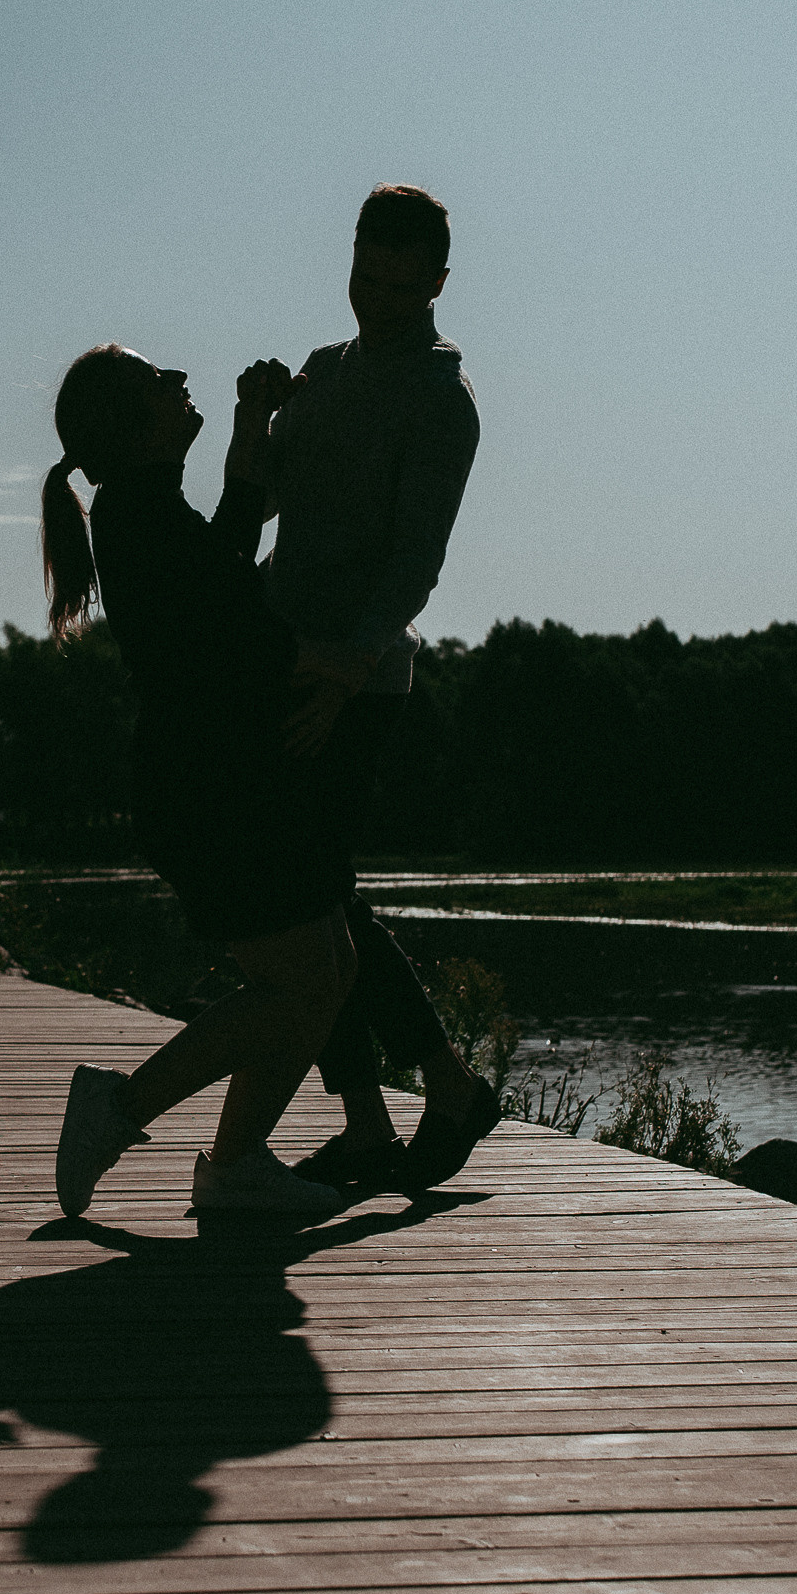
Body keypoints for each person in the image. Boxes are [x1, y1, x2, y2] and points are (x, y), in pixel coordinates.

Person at [42, 346, 356, 1225]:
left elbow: (226, 549)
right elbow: (236, 639)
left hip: (237, 776)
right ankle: (120, 1110)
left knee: (330, 966)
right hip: (213, 791)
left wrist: (253, 425)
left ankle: (238, 1163)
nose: (181, 382)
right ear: (128, 425)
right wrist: (346, 664)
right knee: (299, 979)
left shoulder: (145, 508)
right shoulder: (137, 517)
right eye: (159, 381)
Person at [264, 182, 501, 1198]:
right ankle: (372, 1117)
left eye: (405, 286)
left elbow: (414, 561)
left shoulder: (440, 399)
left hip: (357, 678)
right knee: (303, 898)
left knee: (312, 897)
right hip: (278, 657)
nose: (381, 297)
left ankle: (442, 1086)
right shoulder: (323, 371)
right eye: (369, 274)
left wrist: (346, 674)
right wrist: (257, 416)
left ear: (438, 284)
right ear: (351, 258)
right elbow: (269, 497)